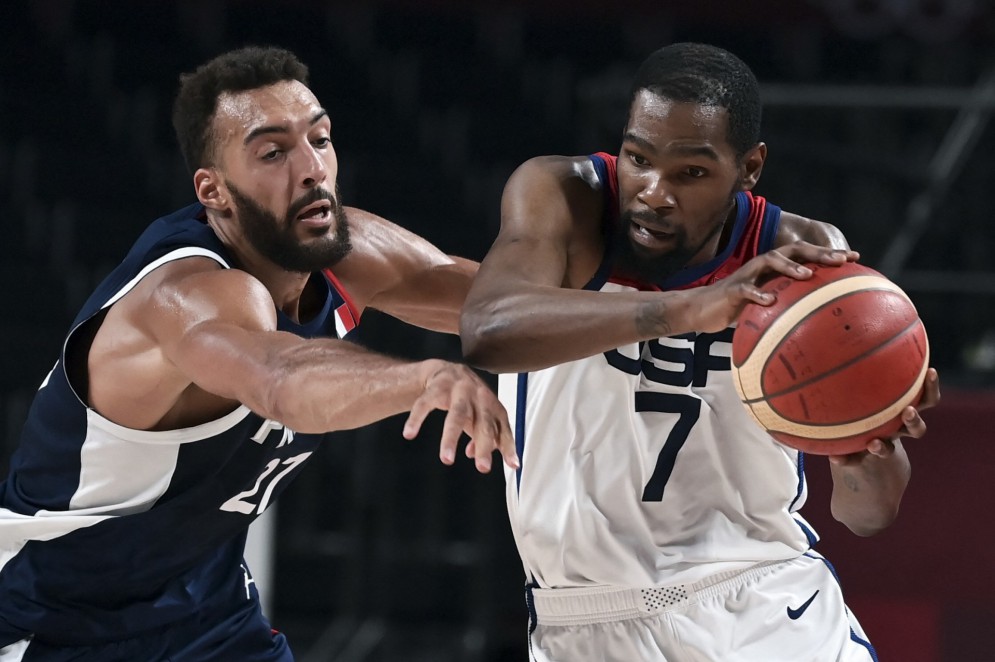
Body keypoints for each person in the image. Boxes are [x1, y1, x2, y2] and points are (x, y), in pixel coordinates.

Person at [0, 46, 517, 661]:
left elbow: (505, 311)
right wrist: (423, 377)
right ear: (212, 190)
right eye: (273, 152)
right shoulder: (189, 293)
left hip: (209, 614)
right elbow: (279, 377)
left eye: (320, 140)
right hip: (55, 626)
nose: (311, 170)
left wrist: (650, 303)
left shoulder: (342, 251)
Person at [460, 42, 940, 661]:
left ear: (749, 168)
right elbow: (488, 331)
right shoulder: (564, 197)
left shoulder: (801, 255)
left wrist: (868, 441)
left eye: (691, 172)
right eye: (638, 159)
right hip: (589, 620)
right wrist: (693, 308)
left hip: (765, 604)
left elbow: (867, 516)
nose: (654, 193)